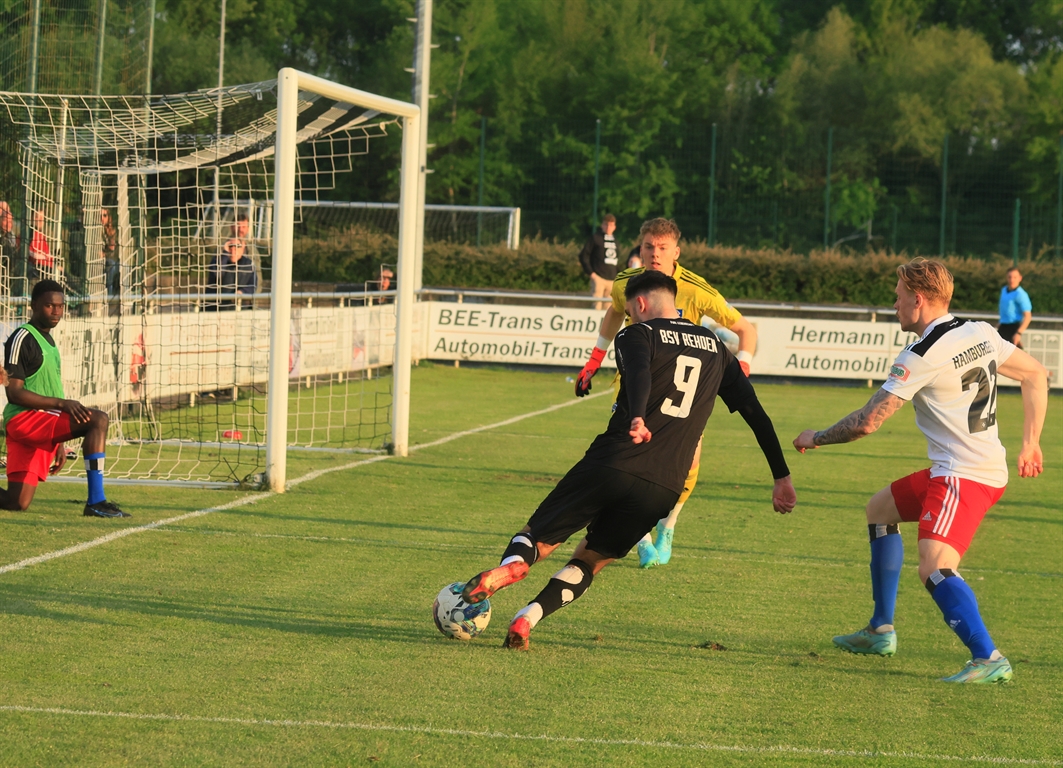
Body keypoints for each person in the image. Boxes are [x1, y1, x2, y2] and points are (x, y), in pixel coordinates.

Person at [458, 270, 796, 650]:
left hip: (614, 460)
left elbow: (637, 373)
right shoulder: (717, 348)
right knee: (590, 561)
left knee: (539, 538)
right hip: (664, 486)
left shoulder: (637, 333)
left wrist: (637, 416)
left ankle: (515, 566)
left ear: (639, 304)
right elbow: (755, 412)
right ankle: (527, 617)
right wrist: (781, 476)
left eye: (632, 313)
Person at [793, 257, 1047, 684]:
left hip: (964, 475)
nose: (894, 304)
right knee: (879, 510)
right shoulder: (978, 331)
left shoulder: (922, 353)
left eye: (897, 297)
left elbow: (867, 421)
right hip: (968, 467)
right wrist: (1031, 442)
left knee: (934, 566)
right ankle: (880, 630)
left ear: (919, 297)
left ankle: (988, 656)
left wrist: (815, 437)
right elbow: (1036, 374)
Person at [574, 218, 758, 568]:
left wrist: (741, 370)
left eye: (661, 248)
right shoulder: (624, 283)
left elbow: (744, 330)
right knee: (629, 460)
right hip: (634, 387)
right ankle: (640, 536)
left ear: (676, 251)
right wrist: (594, 359)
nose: (654, 254)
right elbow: (614, 314)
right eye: (648, 247)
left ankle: (668, 526)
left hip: (684, 392)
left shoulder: (696, 289)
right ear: (639, 248)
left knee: (687, 464)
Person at [2, 280, 130, 517]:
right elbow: (14, 392)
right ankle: (95, 502)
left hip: (42, 421)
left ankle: (95, 502)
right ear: (34, 305)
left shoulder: (49, 341)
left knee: (16, 501)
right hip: (24, 420)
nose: (56, 311)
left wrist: (58, 442)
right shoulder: (22, 337)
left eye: (60, 306)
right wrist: (62, 405)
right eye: (50, 305)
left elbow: (50, 388)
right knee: (98, 420)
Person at [577, 214, 620, 310]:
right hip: (598, 278)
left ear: (614, 227)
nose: (609, 227)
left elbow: (616, 260)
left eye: (611, 225)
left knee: (608, 309)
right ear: (602, 225)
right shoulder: (596, 238)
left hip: (611, 280)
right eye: (606, 224)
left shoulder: (615, 241)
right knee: (596, 307)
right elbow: (583, 255)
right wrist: (591, 273)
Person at [205, 237, 257, 310]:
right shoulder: (217, 261)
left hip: (240, 309)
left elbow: (253, 285)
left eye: (237, 246)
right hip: (216, 309)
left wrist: (242, 292)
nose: (233, 250)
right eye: (230, 246)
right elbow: (217, 275)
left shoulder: (248, 264)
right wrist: (225, 254)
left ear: (242, 249)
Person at [997, 267, 1032, 349]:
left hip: (1013, 327)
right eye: (1009, 277)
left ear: (1020, 278)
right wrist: (1001, 321)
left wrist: (1018, 333)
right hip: (1003, 326)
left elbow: (1028, 317)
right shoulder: (1004, 290)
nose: (1012, 280)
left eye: (1015, 277)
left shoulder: (1021, 294)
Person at [28, 209, 52, 282]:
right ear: (31, 219)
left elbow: (48, 255)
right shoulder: (29, 234)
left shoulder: (42, 235)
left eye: (42, 218)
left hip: (47, 267)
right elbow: (29, 253)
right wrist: (44, 257)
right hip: (37, 267)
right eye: (37, 217)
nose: (40, 220)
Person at [102, 208, 119, 296]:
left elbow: (114, 251)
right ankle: (109, 294)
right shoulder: (96, 231)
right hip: (102, 262)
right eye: (100, 215)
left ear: (109, 217)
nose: (102, 218)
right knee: (111, 265)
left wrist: (107, 251)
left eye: (105, 215)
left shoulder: (112, 232)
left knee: (125, 267)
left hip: (112, 260)